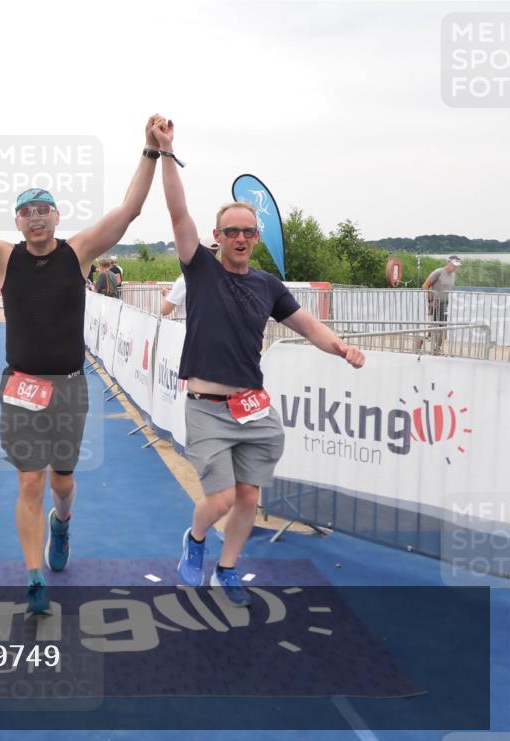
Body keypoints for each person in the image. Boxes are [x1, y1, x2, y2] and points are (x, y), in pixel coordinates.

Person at [0, 116, 163, 614]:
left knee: (62, 482)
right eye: (27, 211)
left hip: (69, 387)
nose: (36, 217)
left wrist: (150, 150)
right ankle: (32, 576)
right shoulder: (5, 259)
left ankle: (61, 525)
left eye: (44, 209)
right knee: (29, 480)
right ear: (17, 220)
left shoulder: (80, 252)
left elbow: (129, 210)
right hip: (21, 386)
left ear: (57, 216)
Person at [154, 118, 365, 607]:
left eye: (249, 231)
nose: (242, 238)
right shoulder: (199, 269)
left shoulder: (268, 285)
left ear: (255, 236)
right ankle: (196, 539)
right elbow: (176, 210)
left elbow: (308, 326)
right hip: (206, 406)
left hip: (252, 407)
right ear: (217, 235)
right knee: (223, 498)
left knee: (249, 497)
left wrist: (342, 348)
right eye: (232, 231)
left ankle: (228, 568)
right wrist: (166, 153)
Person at [159, 242, 219, 318]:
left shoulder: (183, 282)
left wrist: (166, 295)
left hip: (187, 327)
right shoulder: (221, 278)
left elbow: (164, 311)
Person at [420, 255, 460, 355]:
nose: (455, 267)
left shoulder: (453, 275)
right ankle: (424, 342)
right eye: (454, 265)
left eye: (457, 265)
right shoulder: (438, 272)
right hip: (435, 303)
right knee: (436, 327)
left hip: (445, 303)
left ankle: (437, 349)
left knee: (442, 328)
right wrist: (430, 301)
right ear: (448, 262)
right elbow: (425, 286)